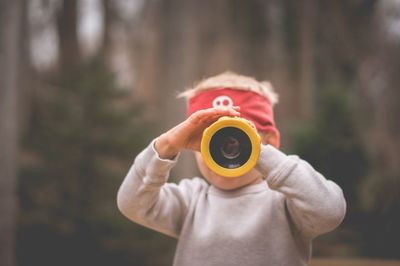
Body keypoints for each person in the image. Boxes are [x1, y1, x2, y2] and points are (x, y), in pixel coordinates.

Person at [117, 72, 346, 266]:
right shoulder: (190, 201)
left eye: (238, 136)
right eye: (211, 139)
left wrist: (261, 153)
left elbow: (330, 211)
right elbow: (132, 205)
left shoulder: (286, 201)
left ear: (271, 141)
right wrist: (165, 146)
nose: (224, 149)